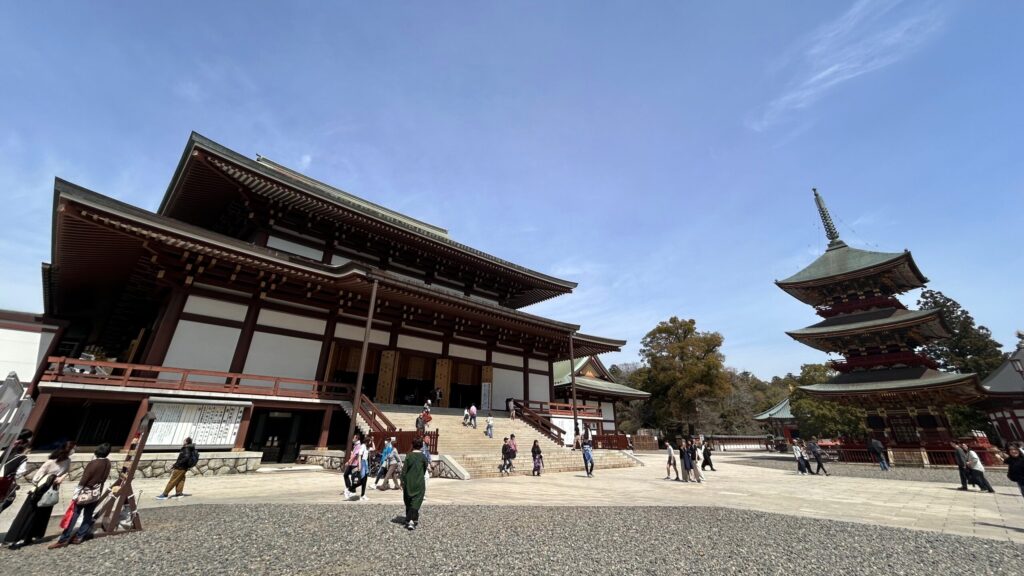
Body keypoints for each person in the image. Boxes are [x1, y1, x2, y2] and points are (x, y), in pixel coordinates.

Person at [4, 442, 74, 549]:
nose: (74, 450)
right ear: (68, 449)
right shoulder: (51, 462)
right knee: (34, 512)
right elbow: (37, 477)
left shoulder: (65, 461)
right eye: (73, 448)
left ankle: (28, 535)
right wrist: (54, 478)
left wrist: (59, 478)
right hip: (45, 488)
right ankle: (23, 536)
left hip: (47, 487)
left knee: (36, 512)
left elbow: (37, 478)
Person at [49, 443, 112, 548]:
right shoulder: (107, 463)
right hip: (96, 492)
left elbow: (84, 480)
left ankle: (64, 539)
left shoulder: (93, 463)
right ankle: (79, 536)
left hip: (85, 492)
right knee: (88, 515)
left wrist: (76, 493)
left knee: (74, 514)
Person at [401, 437, 428, 531]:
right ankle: (412, 520)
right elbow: (424, 469)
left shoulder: (409, 456)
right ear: (421, 445)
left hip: (409, 481)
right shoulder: (423, 457)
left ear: (412, 445)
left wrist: (402, 480)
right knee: (416, 501)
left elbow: (404, 470)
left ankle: (409, 519)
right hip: (419, 481)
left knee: (408, 499)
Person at [342, 434, 365, 499]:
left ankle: (352, 491)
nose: (353, 439)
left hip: (354, 464)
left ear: (357, 439)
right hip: (351, 464)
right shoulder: (355, 445)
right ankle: (349, 488)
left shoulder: (358, 446)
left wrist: (348, 461)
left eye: (354, 438)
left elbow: (355, 456)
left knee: (353, 478)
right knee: (345, 475)